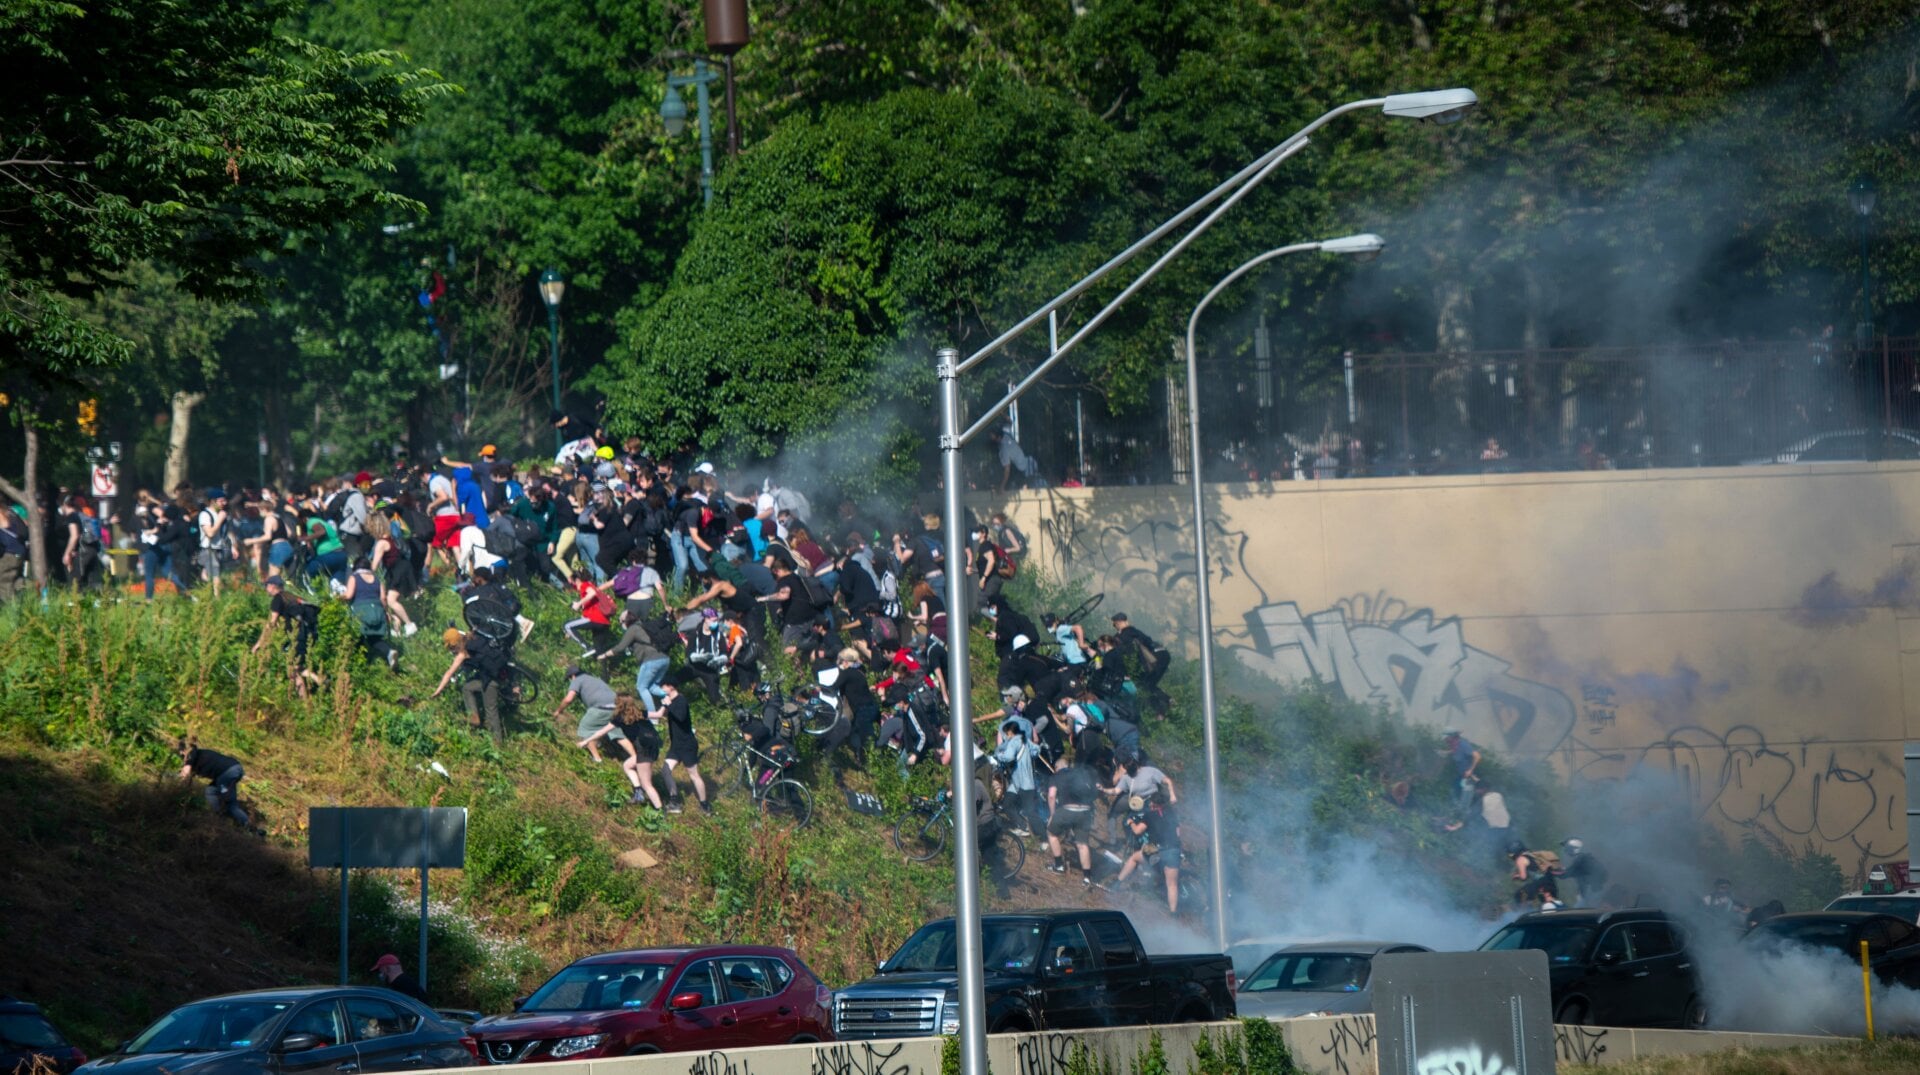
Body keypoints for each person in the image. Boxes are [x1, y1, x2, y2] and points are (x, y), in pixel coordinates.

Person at [430, 627, 512, 743]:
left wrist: (438, 691)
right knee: (467, 687)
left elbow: (449, 673)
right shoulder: (472, 637)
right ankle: (474, 717)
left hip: (492, 679)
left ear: (457, 643)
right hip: (499, 671)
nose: (452, 650)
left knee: (491, 711)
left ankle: (497, 743)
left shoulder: (463, 653)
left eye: (452, 647)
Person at [254, 576, 325, 697]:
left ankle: (304, 703)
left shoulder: (278, 599)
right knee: (297, 666)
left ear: (272, 586)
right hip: (309, 634)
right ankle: (320, 680)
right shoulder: (291, 597)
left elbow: (271, 623)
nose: (266, 589)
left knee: (291, 670)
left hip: (297, 637)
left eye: (266, 586)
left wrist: (260, 643)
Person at [650, 679, 712, 814]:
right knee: (665, 770)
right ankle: (675, 801)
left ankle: (705, 805)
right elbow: (662, 714)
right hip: (676, 745)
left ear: (671, 686)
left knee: (694, 775)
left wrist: (669, 705)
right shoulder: (670, 701)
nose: (661, 689)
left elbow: (681, 717)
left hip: (687, 744)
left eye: (663, 686)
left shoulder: (681, 700)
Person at [177, 738, 255, 832]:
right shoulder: (195, 759)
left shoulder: (192, 755)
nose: (181, 755)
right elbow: (188, 780)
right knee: (210, 791)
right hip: (228, 773)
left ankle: (249, 828)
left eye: (181, 752)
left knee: (229, 803)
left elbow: (186, 770)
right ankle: (219, 816)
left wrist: (180, 778)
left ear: (184, 751)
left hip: (229, 772)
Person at [1114, 808, 1182, 913]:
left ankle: (1116, 884)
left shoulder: (1150, 815)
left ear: (1153, 804)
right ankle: (1173, 913)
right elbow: (1178, 834)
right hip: (1173, 850)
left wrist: (1131, 822)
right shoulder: (1171, 813)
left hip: (1155, 848)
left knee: (1134, 857)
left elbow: (1137, 831)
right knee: (1172, 884)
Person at [1046, 752, 1098, 884]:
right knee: (1082, 844)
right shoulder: (1079, 773)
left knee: (1051, 833)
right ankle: (1087, 877)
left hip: (1067, 809)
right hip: (1085, 811)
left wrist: (1052, 814)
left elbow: (1051, 796)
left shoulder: (1056, 775)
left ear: (1057, 767)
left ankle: (1058, 865)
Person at [553, 665, 621, 764]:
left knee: (586, 729)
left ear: (572, 676)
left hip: (600, 707)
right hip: (618, 707)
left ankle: (597, 759)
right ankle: (633, 755)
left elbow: (568, 699)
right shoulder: (596, 679)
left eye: (569, 679)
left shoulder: (577, 680)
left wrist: (558, 711)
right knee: (618, 734)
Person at [610, 696, 666, 809]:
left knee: (647, 784)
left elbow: (603, 730)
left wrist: (586, 740)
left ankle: (659, 810)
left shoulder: (619, 718)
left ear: (619, 706)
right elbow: (659, 714)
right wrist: (665, 704)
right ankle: (638, 792)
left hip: (643, 751)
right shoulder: (641, 713)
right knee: (627, 765)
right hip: (653, 748)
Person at [195, 487, 230, 596]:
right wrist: (219, 520)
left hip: (220, 548)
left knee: (211, 575)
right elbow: (210, 533)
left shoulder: (222, 514)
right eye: (220, 501)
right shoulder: (205, 515)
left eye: (224, 500)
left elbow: (227, 532)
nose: (224, 503)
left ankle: (203, 592)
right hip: (209, 550)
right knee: (216, 576)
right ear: (212, 501)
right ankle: (217, 599)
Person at [1560, 838, 1608, 908]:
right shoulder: (1583, 858)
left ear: (1575, 848)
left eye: (1567, 848)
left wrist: (1551, 870)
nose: (1565, 850)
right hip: (1592, 893)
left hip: (1591, 894)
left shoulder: (1580, 859)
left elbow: (1565, 875)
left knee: (1578, 912)